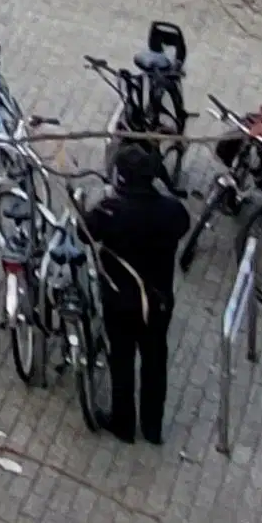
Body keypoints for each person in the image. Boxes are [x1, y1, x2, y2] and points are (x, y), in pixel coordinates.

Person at [82, 138, 192, 446]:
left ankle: (124, 422)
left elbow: (84, 232)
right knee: (155, 360)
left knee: (122, 360)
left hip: (120, 300)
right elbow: (183, 227)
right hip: (157, 301)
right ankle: (153, 426)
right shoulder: (171, 211)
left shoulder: (111, 211)